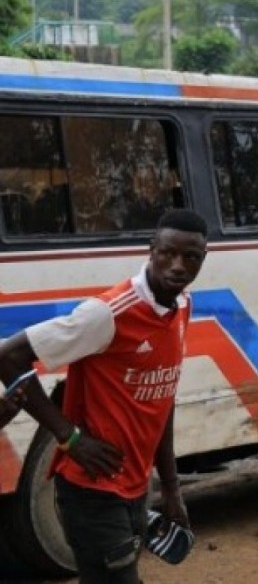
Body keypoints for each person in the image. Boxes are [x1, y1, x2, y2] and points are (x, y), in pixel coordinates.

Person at [0, 210, 208, 584]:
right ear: (151, 250)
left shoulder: (182, 307)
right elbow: (7, 356)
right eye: (167, 253)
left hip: (135, 487)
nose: (178, 266)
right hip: (91, 490)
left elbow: (162, 400)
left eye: (191, 257)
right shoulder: (107, 314)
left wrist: (172, 488)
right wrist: (69, 437)